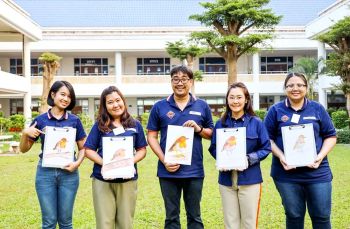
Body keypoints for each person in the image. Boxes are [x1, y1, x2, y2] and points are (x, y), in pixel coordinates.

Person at [264, 72, 337, 229]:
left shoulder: (317, 108)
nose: (295, 88)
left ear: (306, 87)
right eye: (290, 85)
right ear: (285, 88)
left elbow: (331, 136)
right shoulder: (275, 110)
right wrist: (282, 157)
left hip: (317, 172)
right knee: (294, 216)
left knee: (322, 216)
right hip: (286, 174)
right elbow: (266, 139)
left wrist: (319, 157)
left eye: (299, 85)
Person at [147, 65, 214, 229]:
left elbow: (212, 133)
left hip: (194, 171)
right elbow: (151, 136)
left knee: (195, 217)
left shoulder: (202, 105)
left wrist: (198, 129)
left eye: (184, 79)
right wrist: (164, 160)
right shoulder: (159, 106)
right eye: (176, 79)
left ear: (191, 82)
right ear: (171, 82)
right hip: (167, 171)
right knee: (171, 217)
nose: (180, 83)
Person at [19, 80, 86, 229]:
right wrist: (25, 133)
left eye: (69, 96)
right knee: (48, 222)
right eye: (62, 94)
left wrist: (77, 163)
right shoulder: (40, 120)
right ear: (53, 94)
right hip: (45, 174)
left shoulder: (75, 121)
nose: (66, 99)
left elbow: (83, 148)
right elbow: (24, 149)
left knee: (66, 222)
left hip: (69, 175)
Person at [208, 82, 271, 229]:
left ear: (246, 99)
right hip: (226, 180)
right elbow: (213, 147)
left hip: (250, 179)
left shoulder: (256, 123)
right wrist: (222, 160)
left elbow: (266, 148)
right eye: (231, 97)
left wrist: (248, 159)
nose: (235, 101)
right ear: (227, 100)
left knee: (249, 223)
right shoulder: (220, 124)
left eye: (239, 97)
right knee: (230, 223)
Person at [84, 86, 147, 229]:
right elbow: (88, 150)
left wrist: (129, 161)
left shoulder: (134, 124)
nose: (115, 105)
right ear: (105, 106)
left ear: (123, 101)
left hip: (127, 180)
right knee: (104, 223)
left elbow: (142, 150)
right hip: (102, 179)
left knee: (125, 223)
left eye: (118, 100)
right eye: (110, 102)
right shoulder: (100, 126)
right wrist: (105, 164)